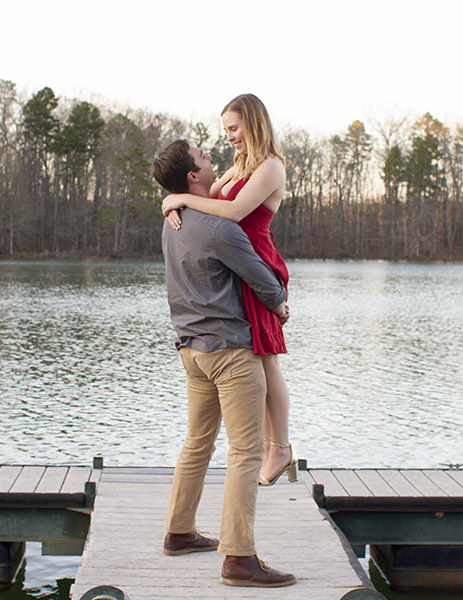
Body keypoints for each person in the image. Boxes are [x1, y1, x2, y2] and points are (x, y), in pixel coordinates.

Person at [152, 139, 297, 588]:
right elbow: (263, 279)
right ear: (193, 176)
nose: (213, 157)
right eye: (204, 157)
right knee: (246, 451)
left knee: (198, 441)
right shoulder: (220, 229)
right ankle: (239, 558)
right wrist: (281, 305)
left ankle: (178, 532)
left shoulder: (173, 221)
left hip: (191, 350)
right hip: (231, 353)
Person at [161, 94, 297, 487]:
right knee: (259, 356)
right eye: (226, 131)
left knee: (268, 360)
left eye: (234, 128)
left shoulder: (270, 168)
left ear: (254, 124)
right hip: (233, 268)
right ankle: (275, 448)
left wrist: (182, 198)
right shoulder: (240, 166)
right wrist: (171, 203)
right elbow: (207, 201)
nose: (230, 137)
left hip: (258, 266)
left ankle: (281, 448)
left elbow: (234, 213)